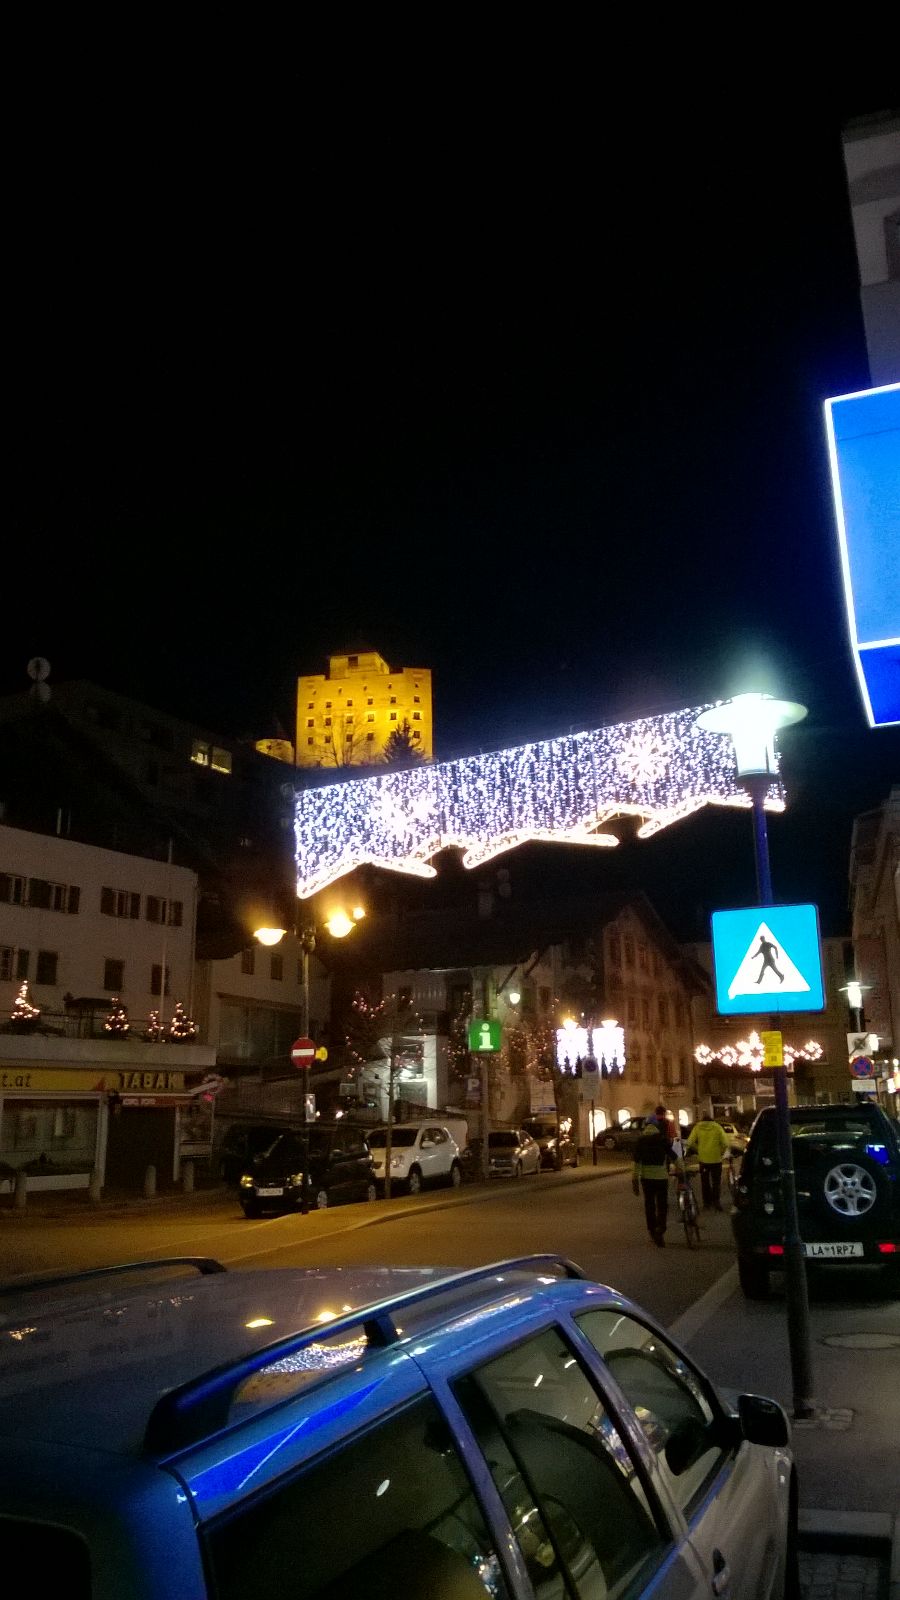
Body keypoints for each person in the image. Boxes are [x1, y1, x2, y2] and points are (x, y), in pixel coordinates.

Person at [632, 1116, 673, 1247]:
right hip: (661, 1178)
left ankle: (652, 1230)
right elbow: (673, 1156)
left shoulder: (640, 1141)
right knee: (662, 1206)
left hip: (647, 1179)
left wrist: (635, 1180)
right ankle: (661, 1228)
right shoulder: (662, 1140)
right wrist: (681, 1168)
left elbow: (637, 1162)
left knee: (649, 1205)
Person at [685, 1113, 730, 1210]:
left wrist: (698, 1149)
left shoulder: (697, 1127)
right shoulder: (717, 1127)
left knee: (705, 1182)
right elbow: (725, 1143)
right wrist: (721, 1152)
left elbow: (690, 1142)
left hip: (703, 1160)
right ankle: (716, 1202)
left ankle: (706, 1203)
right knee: (716, 1182)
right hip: (716, 1159)